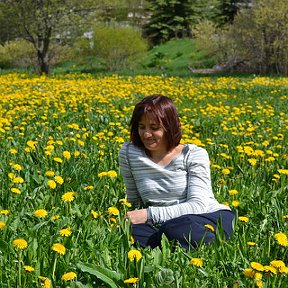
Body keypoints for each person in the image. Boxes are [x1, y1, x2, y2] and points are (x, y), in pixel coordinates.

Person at [119, 94, 234, 250]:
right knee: (129, 231)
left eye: (154, 128)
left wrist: (149, 215)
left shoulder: (194, 154)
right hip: (163, 223)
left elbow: (198, 206)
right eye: (141, 127)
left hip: (206, 217)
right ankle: (172, 246)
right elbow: (135, 202)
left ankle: (210, 244)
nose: (146, 134)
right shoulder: (129, 153)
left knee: (175, 229)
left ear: (169, 127)